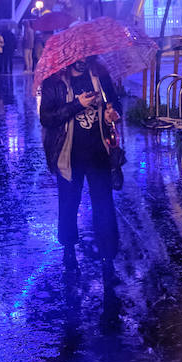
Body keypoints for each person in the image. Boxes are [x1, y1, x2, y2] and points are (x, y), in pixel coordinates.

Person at [40, 55, 122, 286]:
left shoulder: (100, 74)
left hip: (98, 152)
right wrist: (78, 104)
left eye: (87, 55)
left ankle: (108, 260)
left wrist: (111, 115)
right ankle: (68, 250)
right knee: (68, 204)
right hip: (67, 154)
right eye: (78, 56)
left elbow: (116, 104)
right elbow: (46, 118)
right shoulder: (54, 81)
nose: (83, 60)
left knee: (104, 206)